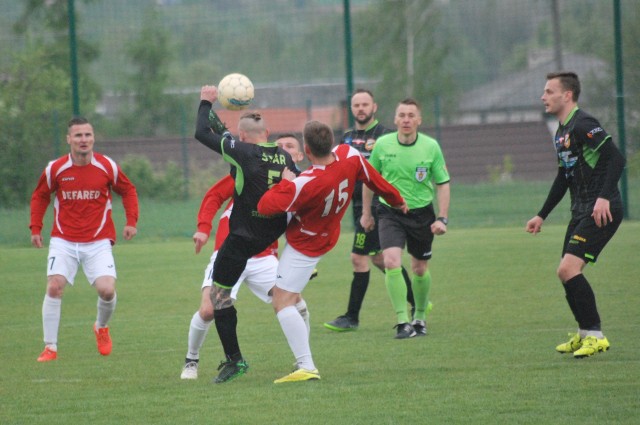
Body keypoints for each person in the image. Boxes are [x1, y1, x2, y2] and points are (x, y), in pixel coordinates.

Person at [258, 120, 407, 383]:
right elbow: (375, 179)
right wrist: (397, 199)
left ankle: (306, 365)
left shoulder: (305, 182)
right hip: (328, 235)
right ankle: (302, 358)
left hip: (306, 245)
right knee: (293, 299)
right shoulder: (350, 155)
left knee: (281, 301)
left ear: (306, 149)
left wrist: (285, 181)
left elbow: (266, 205)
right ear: (333, 142)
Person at [180, 134, 310, 380]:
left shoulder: (300, 184)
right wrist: (203, 227)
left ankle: (304, 361)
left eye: (289, 146)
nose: (282, 149)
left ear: (299, 156)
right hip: (229, 251)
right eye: (279, 145)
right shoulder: (251, 171)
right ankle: (191, 360)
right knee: (209, 308)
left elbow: (302, 223)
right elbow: (214, 196)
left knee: (293, 301)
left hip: (263, 258)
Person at [194, 85, 298, 383]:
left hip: (242, 237)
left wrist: (205, 102)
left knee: (219, 296)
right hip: (271, 237)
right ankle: (302, 358)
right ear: (268, 132)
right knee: (290, 300)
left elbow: (203, 134)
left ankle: (234, 360)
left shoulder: (242, 152)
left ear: (243, 137)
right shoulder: (286, 158)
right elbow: (227, 136)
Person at [526, 71, 625, 358]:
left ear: (566, 95)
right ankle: (584, 334)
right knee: (566, 273)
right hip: (580, 210)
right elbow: (564, 177)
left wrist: (604, 197)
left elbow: (615, 158)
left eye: (549, 91)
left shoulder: (583, 124)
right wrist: (541, 215)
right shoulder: (561, 132)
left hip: (600, 210)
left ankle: (595, 335)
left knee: (567, 269)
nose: (543, 97)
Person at [30, 116, 139, 362]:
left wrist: (131, 221)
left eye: (87, 135)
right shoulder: (56, 169)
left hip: (98, 241)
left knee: (107, 290)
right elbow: (40, 196)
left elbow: (129, 190)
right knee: (54, 286)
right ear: (69, 139)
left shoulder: (107, 166)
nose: (83, 140)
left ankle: (101, 327)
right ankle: (50, 347)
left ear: (93, 138)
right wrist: (35, 227)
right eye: (78, 135)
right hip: (64, 240)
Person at [325, 88, 415, 332]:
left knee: (359, 258)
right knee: (379, 259)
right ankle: (417, 303)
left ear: (374, 107)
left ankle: (351, 317)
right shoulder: (346, 137)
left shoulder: (385, 136)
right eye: (356, 105)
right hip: (357, 206)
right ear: (352, 109)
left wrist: (373, 209)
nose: (361, 109)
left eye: (365, 104)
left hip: (377, 207)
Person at [362, 98, 450, 339]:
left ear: (419, 120)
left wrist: (442, 218)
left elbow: (442, 184)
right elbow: (370, 180)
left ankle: (419, 316)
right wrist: (366, 213)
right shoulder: (382, 145)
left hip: (422, 213)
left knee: (419, 268)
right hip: (389, 212)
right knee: (391, 261)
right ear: (395, 119)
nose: (406, 119)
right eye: (402, 115)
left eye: (411, 115)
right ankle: (402, 321)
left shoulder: (431, 147)